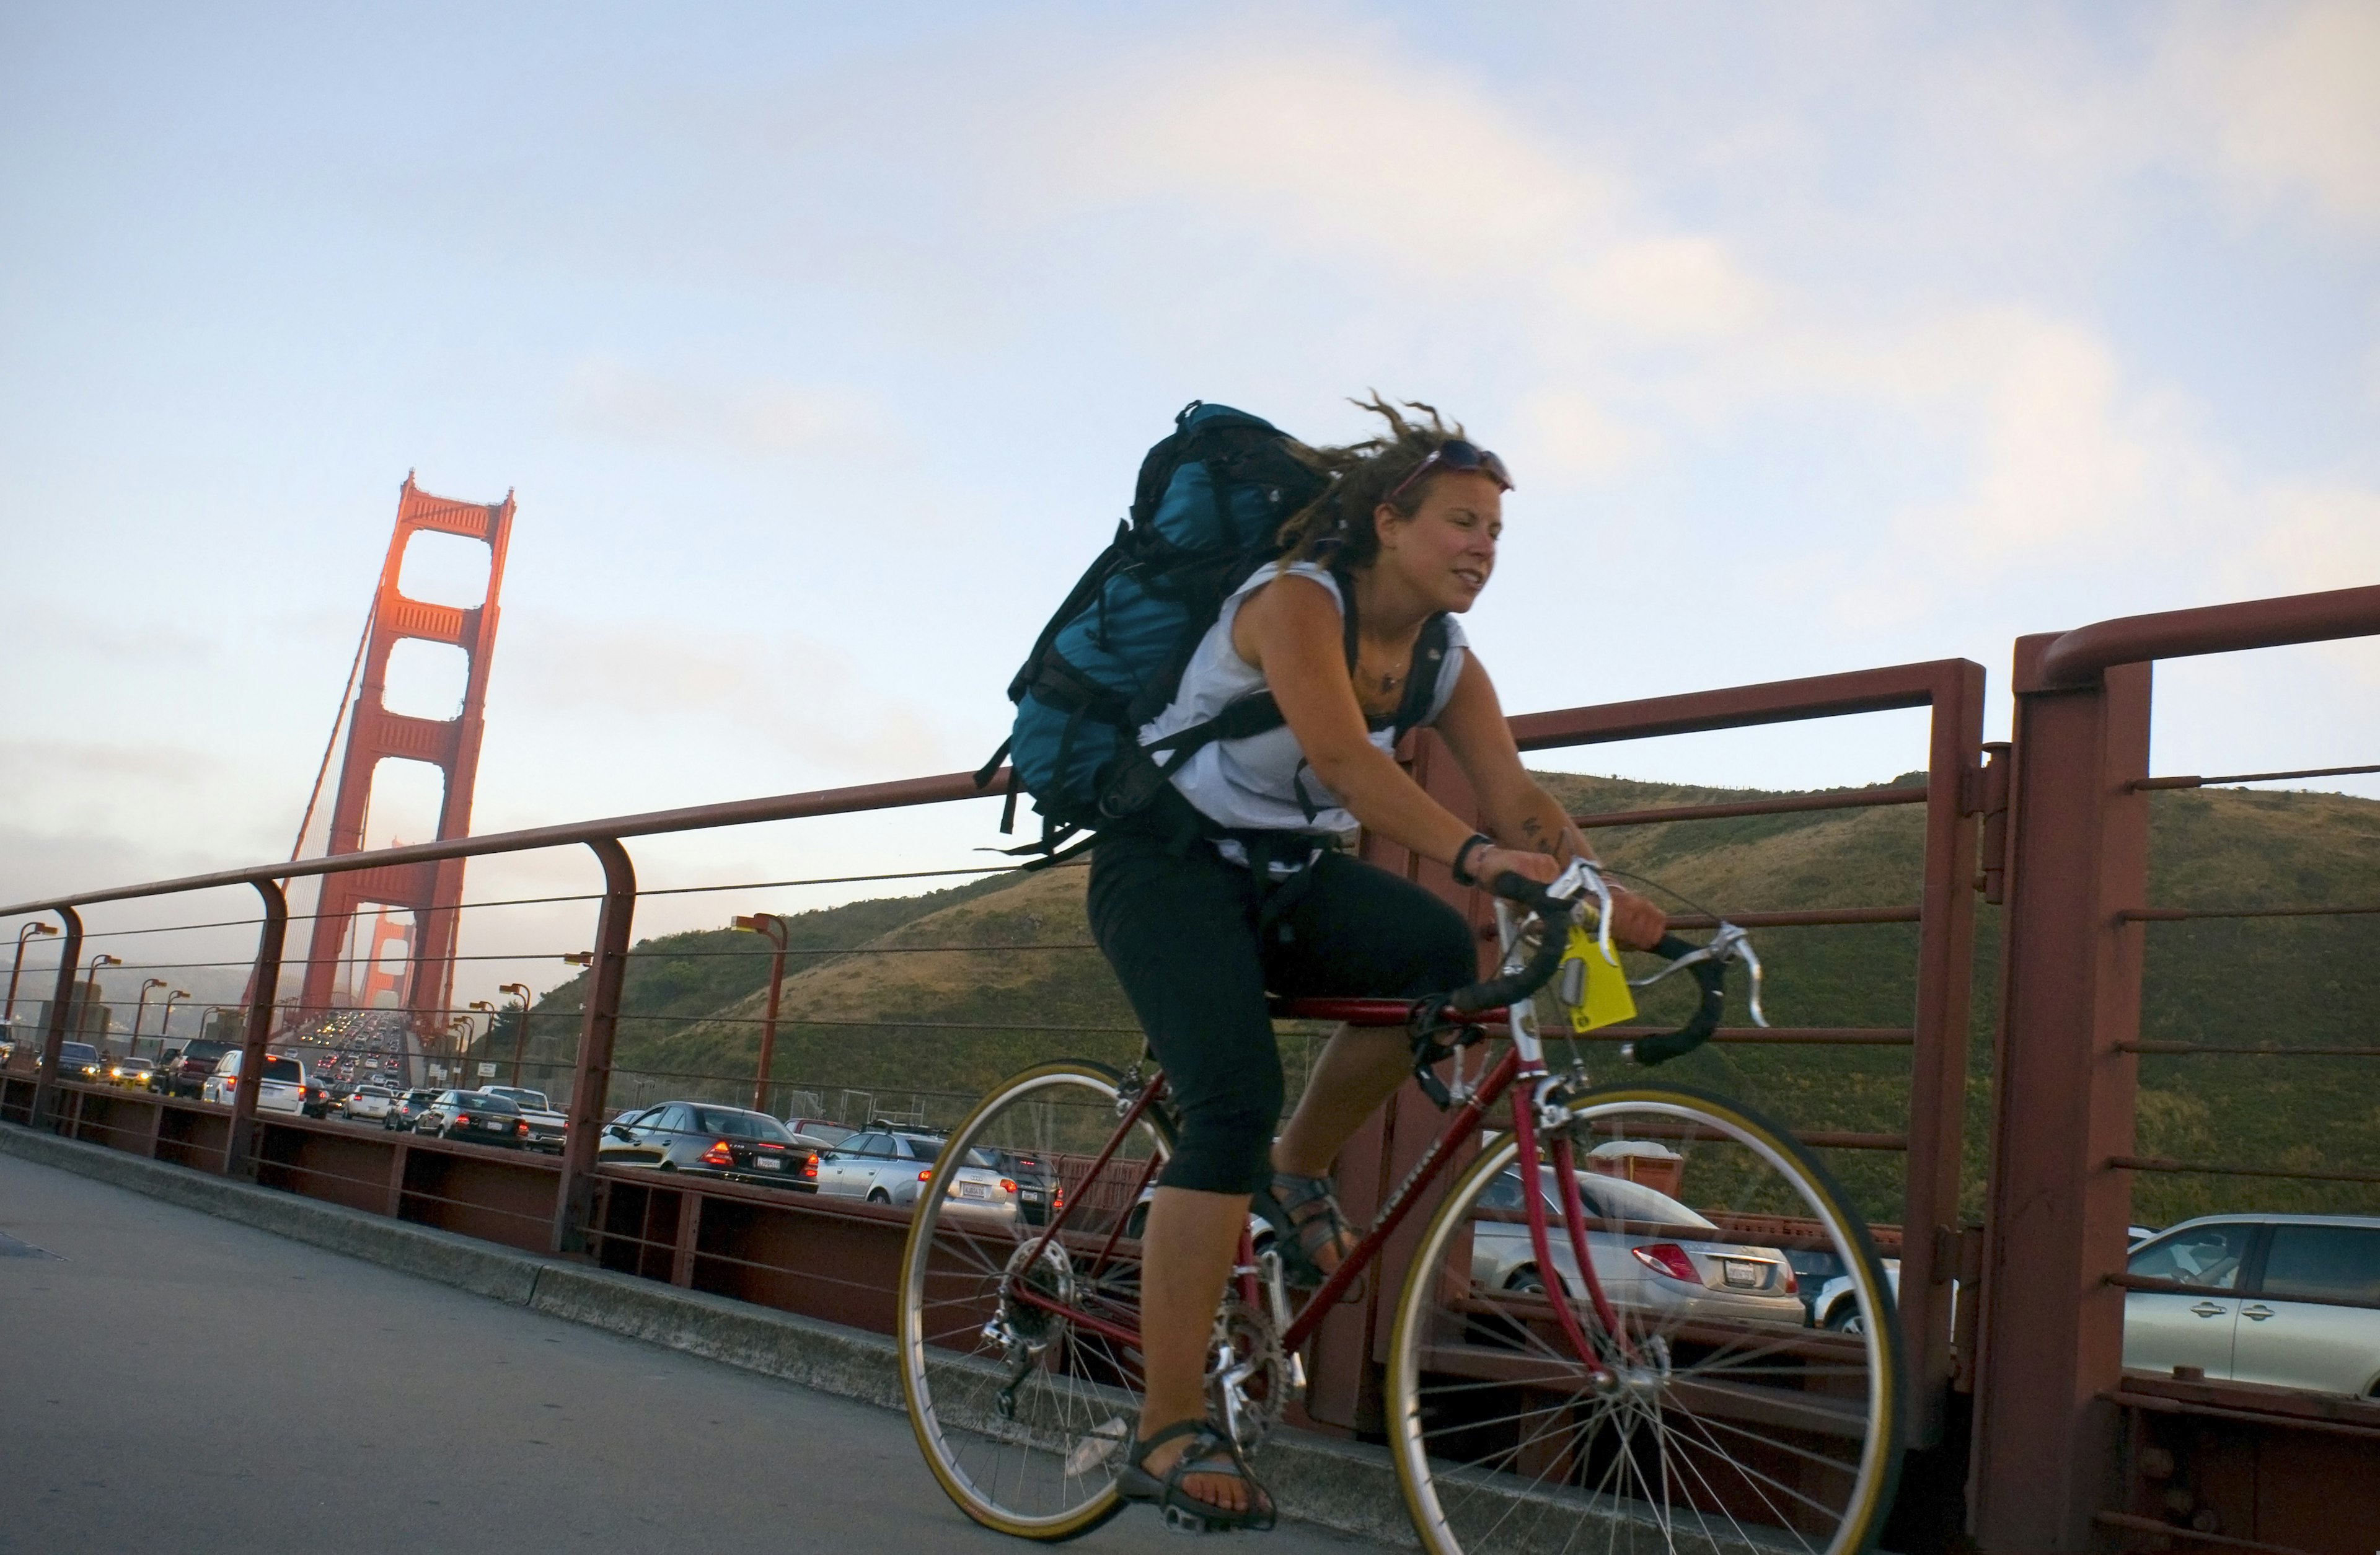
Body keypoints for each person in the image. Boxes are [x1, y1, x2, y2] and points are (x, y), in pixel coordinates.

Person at [1088, 396, 1668, 1530]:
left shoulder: (1447, 658)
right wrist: (1475, 854)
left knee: (1440, 956)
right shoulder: (1298, 600)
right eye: (1461, 522)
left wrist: (1598, 886)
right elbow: (1347, 763)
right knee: (1227, 1104)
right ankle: (1166, 1424)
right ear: (1389, 520)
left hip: (1284, 876)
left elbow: (1519, 798)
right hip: (1165, 866)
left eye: (1495, 534)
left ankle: (1298, 1171)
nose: (1482, 550)